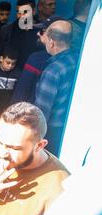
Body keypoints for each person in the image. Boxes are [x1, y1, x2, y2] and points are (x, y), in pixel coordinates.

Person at [34, 20, 77, 156]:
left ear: (51, 43)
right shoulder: (77, 60)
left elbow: (42, 113)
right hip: (72, 127)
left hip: (52, 133)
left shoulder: (53, 72)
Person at [9, 16, 64, 104]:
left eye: (42, 31)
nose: (38, 33)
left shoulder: (37, 59)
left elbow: (22, 91)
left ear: (53, 36)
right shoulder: (71, 60)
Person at [0, 0, 42, 69]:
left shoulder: (41, 32)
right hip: (12, 75)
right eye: (18, 12)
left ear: (34, 11)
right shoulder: (7, 31)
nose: (21, 16)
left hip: (34, 75)